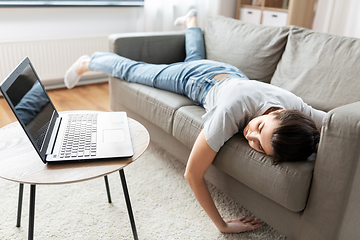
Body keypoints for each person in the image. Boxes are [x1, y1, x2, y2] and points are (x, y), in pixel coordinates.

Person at [64, 10, 325, 234]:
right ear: (276, 113)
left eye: (258, 145)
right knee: (136, 71)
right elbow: (193, 173)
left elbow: (339, 127)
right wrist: (222, 225)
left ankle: (191, 21)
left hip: (233, 74)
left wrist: (312, 146)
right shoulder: (231, 111)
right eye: (259, 128)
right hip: (199, 80)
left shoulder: (299, 114)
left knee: (194, 57)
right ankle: (89, 61)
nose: (249, 136)